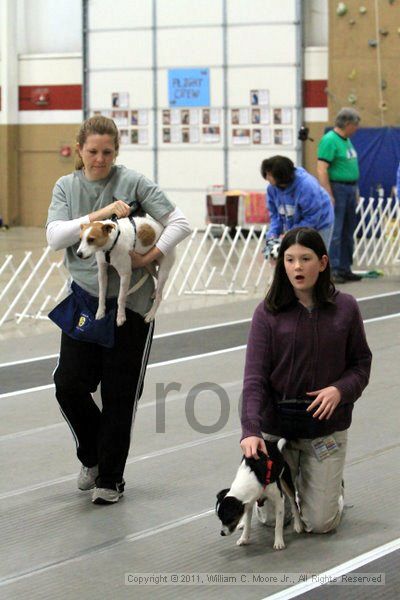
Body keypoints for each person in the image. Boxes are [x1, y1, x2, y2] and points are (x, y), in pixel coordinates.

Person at [46, 115, 191, 505]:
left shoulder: (135, 183)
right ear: (79, 150)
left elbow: (179, 221)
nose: (99, 159)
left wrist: (153, 256)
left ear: (116, 152)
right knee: (69, 384)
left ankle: (110, 478)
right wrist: (99, 213)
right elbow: (55, 236)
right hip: (85, 300)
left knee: (119, 393)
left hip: (133, 305)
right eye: (92, 151)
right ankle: (92, 455)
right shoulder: (67, 186)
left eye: (107, 152)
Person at [240, 227, 372, 533]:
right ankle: (300, 481)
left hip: (324, 431)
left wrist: (340, 390)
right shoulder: (266, 314)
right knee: (273, 520)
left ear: (323, 263)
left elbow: (361, 364)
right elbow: (254, 379)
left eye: (305, 259)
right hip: (277, 432)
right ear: (281, 264)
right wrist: (250, 431)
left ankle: (330, 486)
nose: (297, 267)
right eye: (289, 259)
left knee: (320, 524)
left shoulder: (347, 308)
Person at [317, 107, 361, 284]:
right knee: (336, 231)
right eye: (356, 125)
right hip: (338, 188)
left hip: (350, 188)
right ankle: (333, 269)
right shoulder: (330, 140)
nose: (357, 129)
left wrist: (356, 189)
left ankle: (345, 267)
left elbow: (350, 167)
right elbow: (322, 169)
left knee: (348, 231)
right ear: (348, 124)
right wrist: (328, 194)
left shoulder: (347, 141)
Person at [260, 156, 334, 259]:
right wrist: (272, 234)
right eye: (266, 173)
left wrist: (291, 233)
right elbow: (275, 215)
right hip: (295, 224)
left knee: (317, 257)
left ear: (281, 175)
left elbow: (312, 217)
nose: (267, 177)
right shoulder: (272, 189)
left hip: (320, 222)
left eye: (269, 174)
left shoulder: (307, 185)